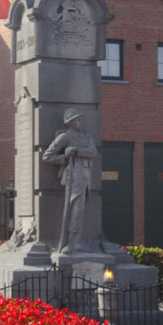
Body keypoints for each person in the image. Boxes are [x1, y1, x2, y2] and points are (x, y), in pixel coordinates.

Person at [42, 108, 97, 254]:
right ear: (70, 122)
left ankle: (76, 241)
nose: (81, 122)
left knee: (81, 210)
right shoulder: (65, 137)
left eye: (80, 119)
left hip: (85, 177)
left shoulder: (87, 137)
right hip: (73, 176)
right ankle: (72, 243)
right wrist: (65, 158)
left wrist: (76, 150)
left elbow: (93, 152)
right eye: (78, 119)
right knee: (76, 210)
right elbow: (47, 156)